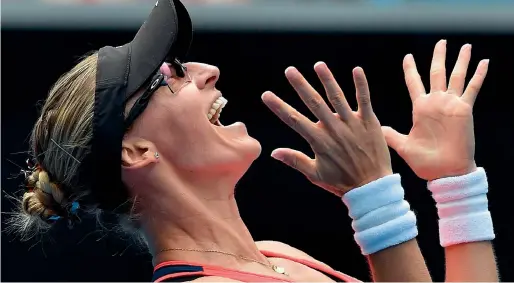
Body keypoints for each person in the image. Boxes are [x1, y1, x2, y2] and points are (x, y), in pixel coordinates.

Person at [6, 0, 498, 281]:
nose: (206, 71)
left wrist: (457, 187)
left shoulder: (278, 255)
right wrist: (374, 196)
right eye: (171, 75)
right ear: (136, 152)